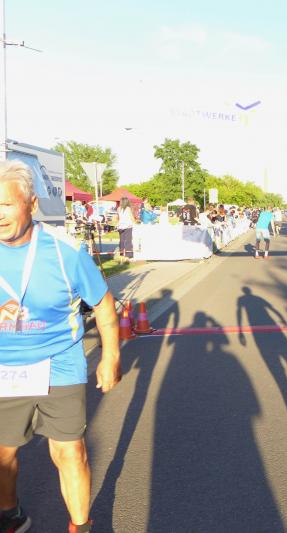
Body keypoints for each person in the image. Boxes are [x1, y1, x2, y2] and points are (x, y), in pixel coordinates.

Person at [0, 160, 121, 533]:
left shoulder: (66, 251)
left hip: (59, 363)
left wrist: (110, 356)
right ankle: (10, 514)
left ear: (32, 204)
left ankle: (80, 526)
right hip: (4, 368)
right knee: (3, 455)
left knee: (70, 452)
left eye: (6, 204)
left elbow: (103, 305)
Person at [116, 197, 135, 261]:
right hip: (128, 226)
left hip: (121, 226)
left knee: (122, 240)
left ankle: (121, 253)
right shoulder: (128, 208)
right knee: (128, 241)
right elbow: (131, 217)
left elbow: (118, 218)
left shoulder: (118, 208)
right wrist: (135, 223)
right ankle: (129, 255)